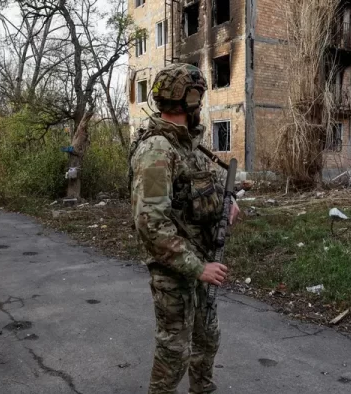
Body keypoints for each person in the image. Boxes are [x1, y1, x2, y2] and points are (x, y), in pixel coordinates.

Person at [129, 63, 239, 394]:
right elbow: (150, 222)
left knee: (206, 339)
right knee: (174, 352)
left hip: (202, 261)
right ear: (189, 100)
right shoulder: (157, 149)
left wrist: (226, 202)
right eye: (200, 96)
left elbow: (201, 185)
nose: (202, 104)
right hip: (176, 271)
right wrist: (198, 268)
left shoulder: (187, 144)